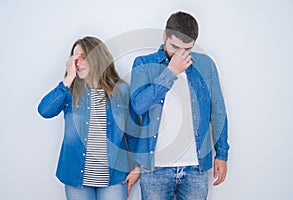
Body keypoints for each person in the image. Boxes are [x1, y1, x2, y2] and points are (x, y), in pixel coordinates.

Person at [130, 11, 230, 200]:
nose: (180, 54)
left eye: (187, 49)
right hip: (155, 169)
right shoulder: (143, 63)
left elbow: (218, 111)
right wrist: (171, 72)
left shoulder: (206, 64)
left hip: (196, 169)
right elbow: (138, 106)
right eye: (174, 46)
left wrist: (222, 153)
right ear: (164, 36)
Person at [38, 36, 140, 200]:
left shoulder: (121, 91)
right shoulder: (69, 92)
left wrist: (137, 167)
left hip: (113, 178)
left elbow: (133, 133)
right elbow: (44, 110)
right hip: (76, 178)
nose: (77, 62)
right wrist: (68, 79)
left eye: (83, 57)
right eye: (74, 58)